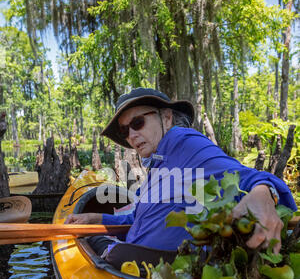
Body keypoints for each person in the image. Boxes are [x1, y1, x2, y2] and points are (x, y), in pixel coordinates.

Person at [65, 87, 297, 267]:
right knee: (95, 238)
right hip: (137, 261)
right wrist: (97, 219)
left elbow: (249, 178)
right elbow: (138, 221)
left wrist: (264, 193)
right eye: (125, 131)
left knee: (98, 245)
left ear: (166, 118)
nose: (132, 135)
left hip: (159, 266)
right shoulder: (156, 166)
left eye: (138, 122)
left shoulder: (184, 142)